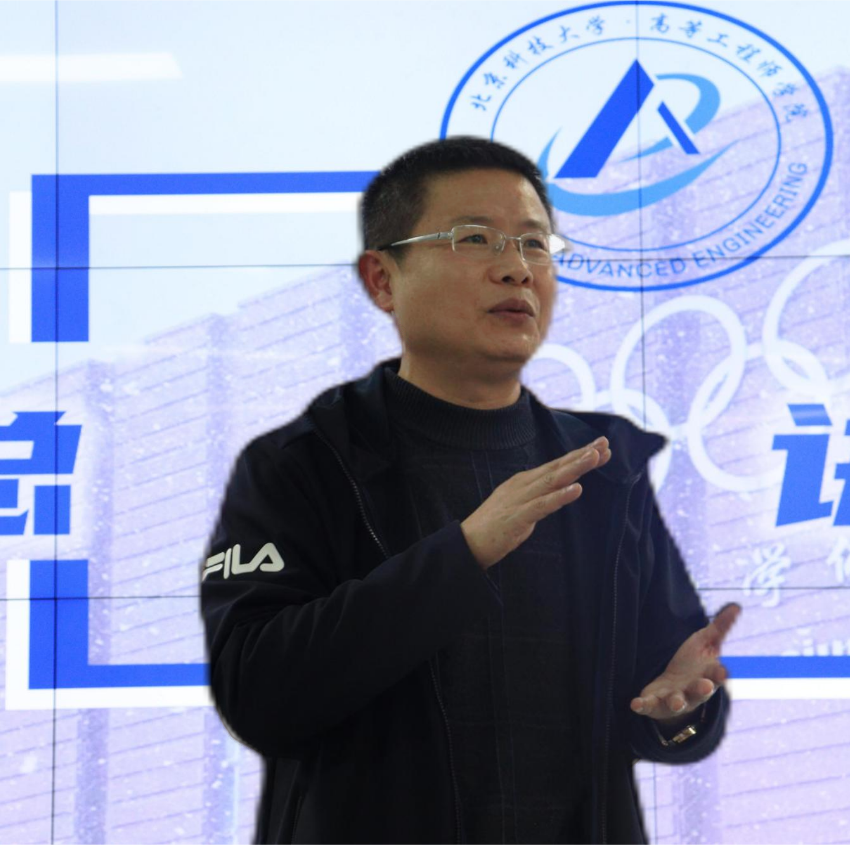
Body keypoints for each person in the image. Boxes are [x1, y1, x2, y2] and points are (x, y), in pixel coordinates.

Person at [199, 136, 742, 845]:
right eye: (474, 238)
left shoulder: (603, 467)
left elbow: (664, 692)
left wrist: (680, 709)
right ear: (382, 279)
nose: (517, 268)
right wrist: (462, 555)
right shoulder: (302, 464)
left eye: (535, 244)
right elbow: (258, 694)